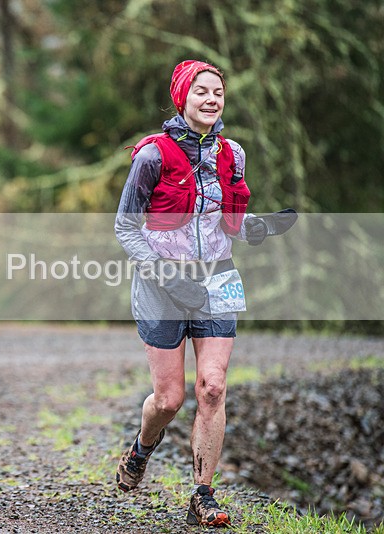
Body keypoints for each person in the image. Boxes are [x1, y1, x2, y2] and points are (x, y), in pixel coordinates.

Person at [113, 60, 296, 527]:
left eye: (218, 92)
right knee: (169, 399)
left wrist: (258, 227)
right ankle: (141, 448)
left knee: (213, 387)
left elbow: (228, 224)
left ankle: (203, 494)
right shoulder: (151, 156)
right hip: (161, 284)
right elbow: (125, 227)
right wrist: (164, 273)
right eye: (201, 91)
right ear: (182, 96)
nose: (211, 99)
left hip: (217, 278)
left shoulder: (232, 153)